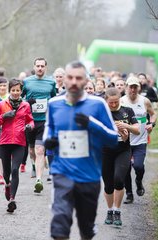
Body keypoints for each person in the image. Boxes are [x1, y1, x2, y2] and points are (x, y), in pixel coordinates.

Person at [44, 61, 117, 240]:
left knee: (86, 229)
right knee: (59, 226)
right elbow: (48, 130)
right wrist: (49, 141)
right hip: (62, 173)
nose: (74, 82)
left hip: (89, 176)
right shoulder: (54, 104)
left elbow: (113, 138)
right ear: (64, 80)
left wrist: (92, 124)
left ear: (86, 81)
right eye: (70, 77)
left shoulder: (98, 104)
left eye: (79, 78)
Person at [0, 78, 34, 212]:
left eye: (18, 90)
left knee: (15, 170)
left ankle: (12, 199)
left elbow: (31, 121)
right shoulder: (2, 104)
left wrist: (29, 126)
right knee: (7, 172)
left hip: (19, 142)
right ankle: (7, 185)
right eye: (13, 90)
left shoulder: (26, 105)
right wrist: (4, 116)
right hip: (4, 142)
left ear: (21, 91)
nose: (16, 93)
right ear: (9, 90)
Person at [102, 88, 140, 226]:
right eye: (110, 102)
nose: (113, 105)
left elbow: (137, 129)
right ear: (106, 101)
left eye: (115, 102)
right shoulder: (101, 113)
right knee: (108, 185)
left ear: (120, 99)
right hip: (105, 152)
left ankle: (117, 211)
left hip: (123, 150)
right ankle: (109, 210)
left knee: (118, 179)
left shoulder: (127, 111)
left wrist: (125, 127)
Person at [22, 57, 56, 193]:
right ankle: (36, 166)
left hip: (44, 120)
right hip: (30, 120)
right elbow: (20, 97)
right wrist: (27, 101)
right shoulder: (27, 81)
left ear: (46, 67)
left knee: (40, 150)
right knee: (31, 150)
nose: (40, 68)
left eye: (42, 66)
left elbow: (53, 98)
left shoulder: (51, 82)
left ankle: (39, 180)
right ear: (34, 67)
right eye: (38, 66)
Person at [121, 76, 156, 204]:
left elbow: (153, 114)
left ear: (139, 88)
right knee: (125, 169)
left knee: (138, 166)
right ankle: (129, 193)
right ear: (127, 87)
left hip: (141, 140)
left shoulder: (145, 101)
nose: (133, 89)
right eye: (131, 87)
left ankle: (139, 181)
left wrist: (151, 124)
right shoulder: (121, 102)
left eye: (135, 87)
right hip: (125, 141)